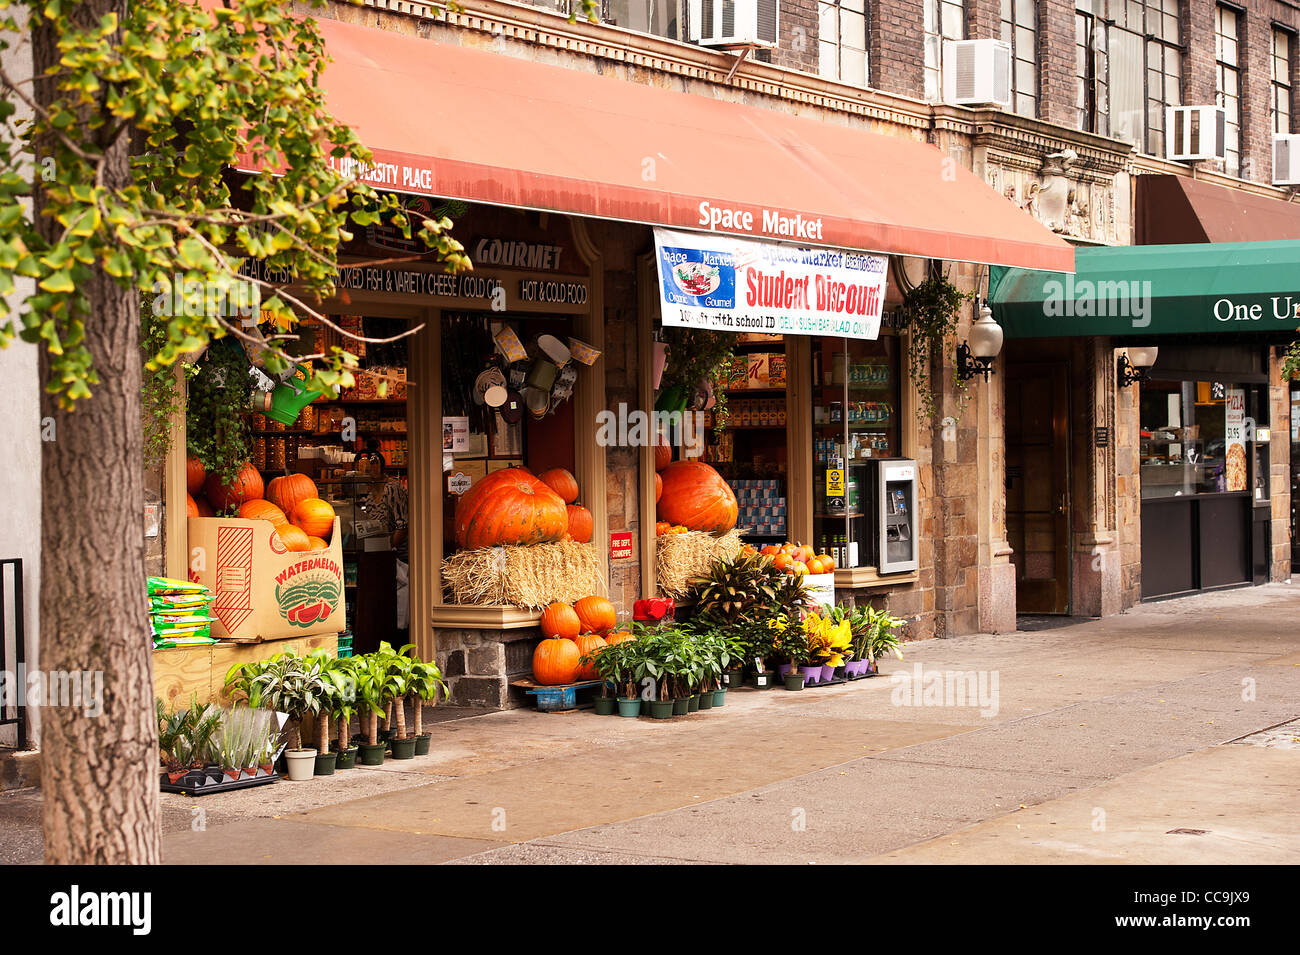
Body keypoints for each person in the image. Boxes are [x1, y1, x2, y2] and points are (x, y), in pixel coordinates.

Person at [362, 440, 409, 632]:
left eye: (373, 465)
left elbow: (403, 525)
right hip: (376, 550)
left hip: (396, 553)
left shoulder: (393, 488)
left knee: (395, 598)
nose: (369, 469)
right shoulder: (367, 489)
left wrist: (388, 548)